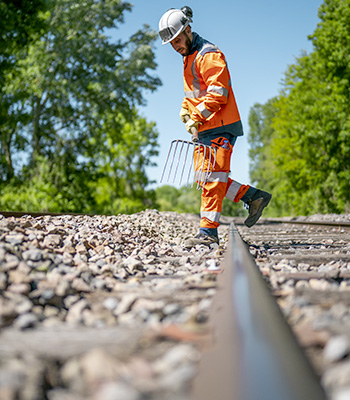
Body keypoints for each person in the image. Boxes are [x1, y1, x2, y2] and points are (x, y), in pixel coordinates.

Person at [158, 6, 272, 248]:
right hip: (205, 128)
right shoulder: (189, 56)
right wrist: (185, 109)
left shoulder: (208, 55)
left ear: (188, 30)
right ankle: (253, 197)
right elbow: (195, 93)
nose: (175, 45)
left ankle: (208, 233)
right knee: (205, 178)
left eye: (178, 39)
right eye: (171, 43)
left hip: (221, 126)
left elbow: (218, 94)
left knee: (213, 178)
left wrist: (195, 116)